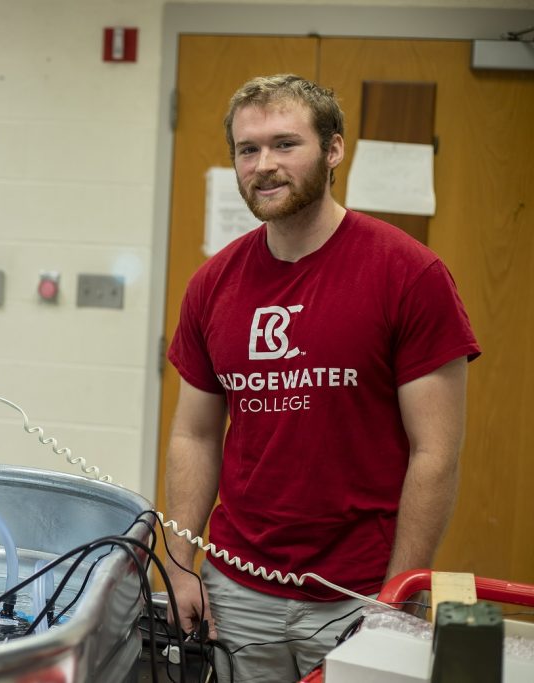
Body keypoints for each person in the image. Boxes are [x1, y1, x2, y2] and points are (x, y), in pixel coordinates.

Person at [164, 74, 480, 682]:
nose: (264, 165)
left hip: (357, 593)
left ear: (334, 150)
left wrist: (398, 594)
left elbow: (435, 452)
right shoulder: (214, 283)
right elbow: (195, 437)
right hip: (236, 589)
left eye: (286, 144)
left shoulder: (408, 274)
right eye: (247, 149)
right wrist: (181, 561)